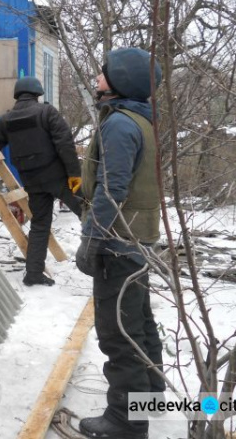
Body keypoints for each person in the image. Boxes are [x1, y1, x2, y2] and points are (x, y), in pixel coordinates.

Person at [75, 48, 166, 439]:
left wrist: (91, 241)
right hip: (139, 240)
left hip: (119, 243)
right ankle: (151, 403)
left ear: (122, 80)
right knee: (140, 325)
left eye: (103, 72)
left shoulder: (119, 125)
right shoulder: (141, 121)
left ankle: (126, 423)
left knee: (119, 334)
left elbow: (112, 191)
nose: (97, 78)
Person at [0, 76, 83, 287]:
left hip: (33, 182)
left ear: (17, 94)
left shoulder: (6, 120)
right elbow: (64, 143)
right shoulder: (46, 112)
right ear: (37, 93)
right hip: (59, 178)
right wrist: (74, 173)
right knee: (89, 213)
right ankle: (108, 262)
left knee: (40, 225)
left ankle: (33, 273)